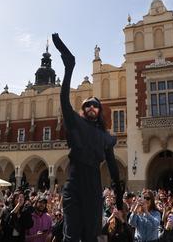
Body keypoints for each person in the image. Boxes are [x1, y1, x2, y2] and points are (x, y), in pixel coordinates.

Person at [52, 33, 123, 242]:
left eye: (95, 105)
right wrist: (69, 67)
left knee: (92, 235)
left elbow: (112, 167)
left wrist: (118, 197)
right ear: (83, 110)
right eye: (87, 105)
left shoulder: (105, 137)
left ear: (100, 111)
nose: (91, 107)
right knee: (71, 236)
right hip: (73, 184)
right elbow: (64, 100)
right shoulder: (76, 123)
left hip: (94, 186)